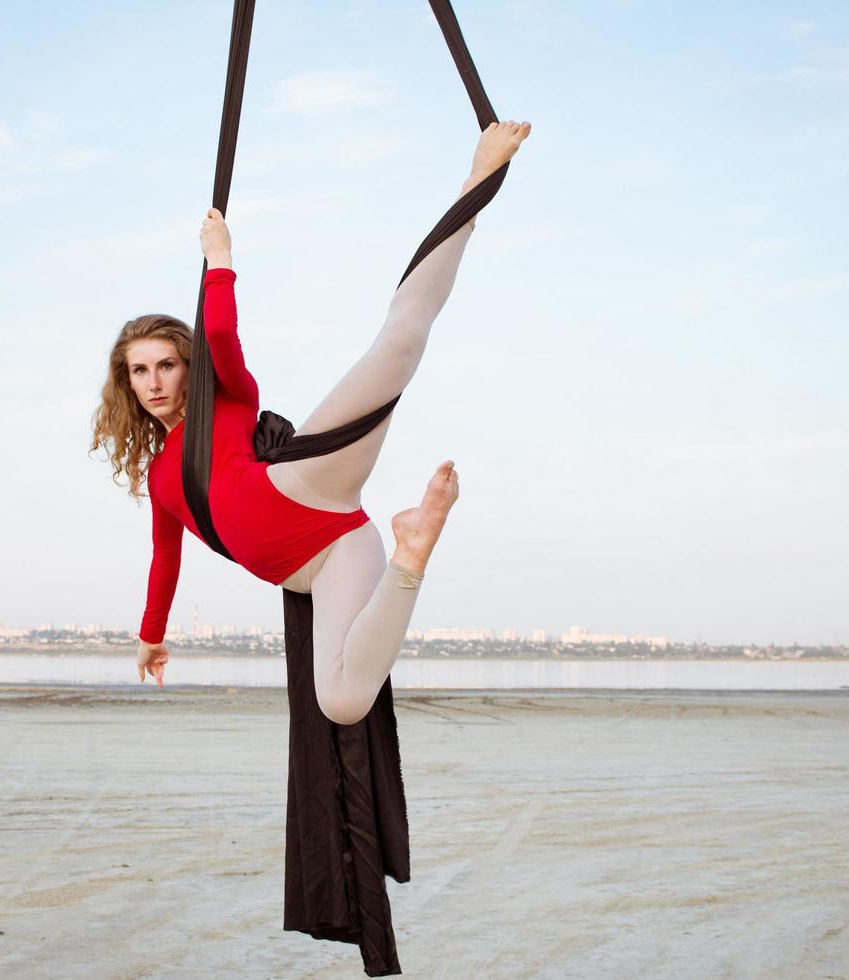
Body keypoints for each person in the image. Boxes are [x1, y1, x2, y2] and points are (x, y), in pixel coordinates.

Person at [90, 120, 531, 726]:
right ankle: (413, 550)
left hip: (307, 487)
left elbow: (218, 331)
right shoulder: (162, 477)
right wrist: (150, 635)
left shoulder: (229, 400)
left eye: (166, 364)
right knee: (343, 703)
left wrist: (219, 259)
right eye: (140, 372)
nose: (155, 382)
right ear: (127, 384)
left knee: (400, 338)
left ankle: (478, 179)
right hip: (323, 560)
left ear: (189, 369)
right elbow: (164, 559)